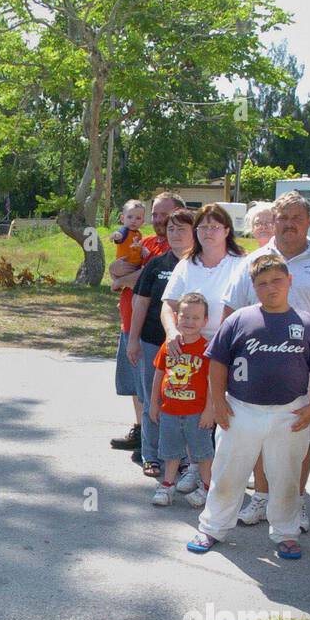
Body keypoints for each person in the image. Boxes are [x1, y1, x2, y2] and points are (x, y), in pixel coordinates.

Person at [186, 254, 310, 558]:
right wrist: (218, 403)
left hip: (289, 412)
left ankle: (286, 531)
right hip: (241, 409)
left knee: (286, 476)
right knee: (228, 471)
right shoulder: (239, 319)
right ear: (254, 287)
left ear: (289, 281)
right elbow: (218, 364)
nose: (271, 288)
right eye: (262, 283)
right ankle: (213, 527)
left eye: (277, 280)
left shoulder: (307, 325)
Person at [223, 191, 310, 532]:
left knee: (297, 438)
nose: (290, 223)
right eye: (284, 217)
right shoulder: (252, 261)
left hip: (307, 370)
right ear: (274, 221)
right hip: (254, 369)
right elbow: (230, 311)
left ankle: (294, 501)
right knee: (260, 438)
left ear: (309, 222)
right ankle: (263, 498)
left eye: (297, 217)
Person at [110, 192, 182, 458]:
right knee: (136, 384)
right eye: (155, 214)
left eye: (165, 214)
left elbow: (147, 275)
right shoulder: (145, 240)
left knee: (156, 385)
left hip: (155, 329)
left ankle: (160, 441)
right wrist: (119, 276)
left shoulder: (175, 245)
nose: (159, 219)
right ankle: (141, 431)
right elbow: (115, 269)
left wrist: (124, 280)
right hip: (129, 322)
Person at [126, 207, 194, 478]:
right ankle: (150, 455)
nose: (176, 234)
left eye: (182, 229)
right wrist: (133, 341)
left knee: (187, 403)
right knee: (151, 399)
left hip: (192, 348)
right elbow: (140, 303)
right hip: (154, 342)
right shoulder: (156, 264)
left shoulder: (202, 265)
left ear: (194, 233)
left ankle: (186, 459)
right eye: (171, 229)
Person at [149, 292, 214, 507]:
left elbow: (212, 382)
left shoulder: (206, 349)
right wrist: (153, 403)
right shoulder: (169, 346)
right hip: (170, 410)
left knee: (202, 452)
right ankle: (168, 485)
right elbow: (159, 373)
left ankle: (207, 487)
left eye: (196, 318)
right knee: (171, 451)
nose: (189, 322)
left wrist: (209, 410)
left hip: (196, 412)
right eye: (185, 317)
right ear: (176, 317)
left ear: (205, 321)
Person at [160, 203, 247, 342]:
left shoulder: (243, 264)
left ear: (226, 231)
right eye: (203, 227)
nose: (208, 232)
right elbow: (169, 305)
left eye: (214, 227)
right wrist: (171, 332)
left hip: (229, 345)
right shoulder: (186, 264)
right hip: (189, 347)